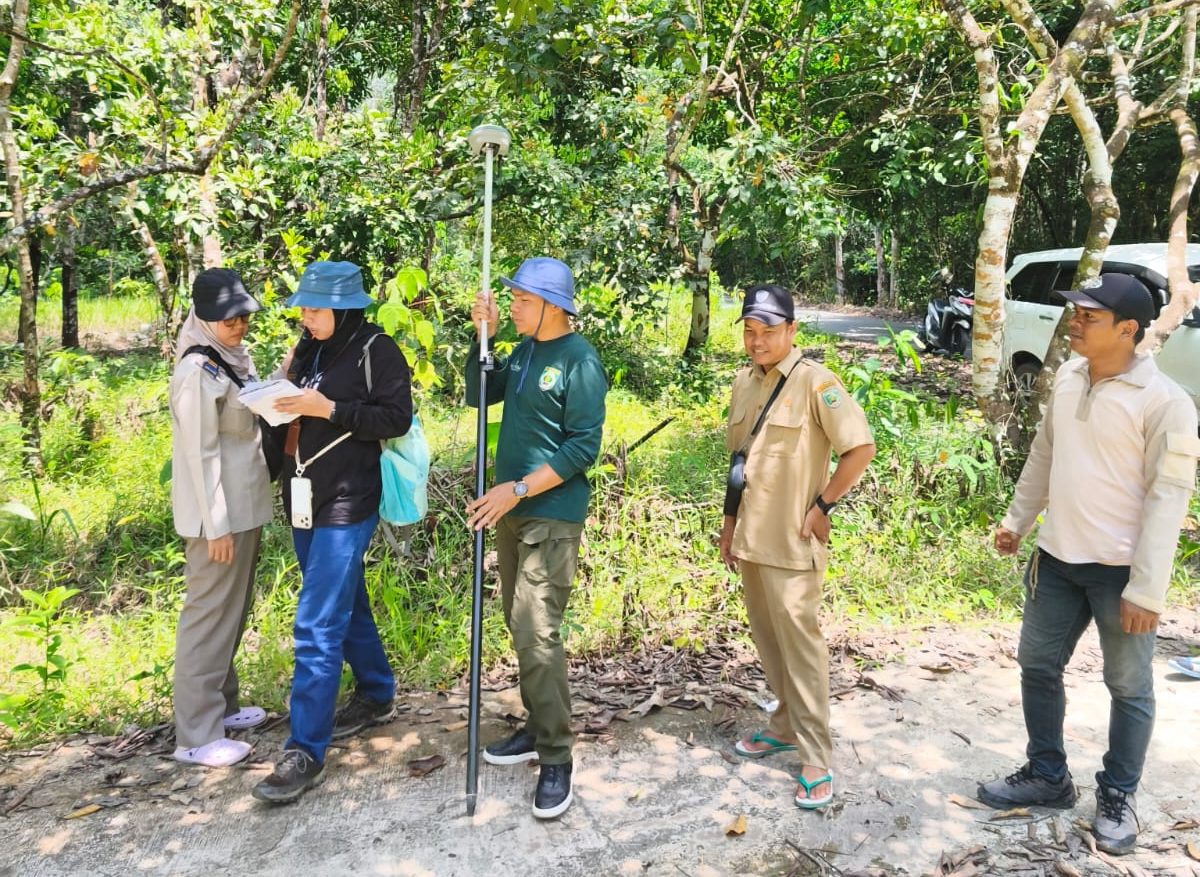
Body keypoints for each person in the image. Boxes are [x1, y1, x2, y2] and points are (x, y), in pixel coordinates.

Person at [978, 274, 1200, 856]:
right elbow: (1045, 456)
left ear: (1128, 331)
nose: (1073, 322)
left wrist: (1147, 591)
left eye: (1088, 317)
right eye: (1074, 312)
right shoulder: (1071, 378)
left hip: (1120, 573)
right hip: (1057, 559)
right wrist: (1018, 519)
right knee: (1037, 663)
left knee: (1128, 686)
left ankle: (1119, 794)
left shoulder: (1166, 404)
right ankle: (1048, 774)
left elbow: (1166, 501)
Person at [252, 261, 413, 804]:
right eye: (302, 307)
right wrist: (275, 393)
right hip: (303, 496)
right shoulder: (308, 347)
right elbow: (287, 409)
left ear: (344, 308)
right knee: (346, 603)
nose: (305, 316)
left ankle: (304, 751)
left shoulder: (375, 349)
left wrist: (330, 408)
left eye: (315, 309)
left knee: (316, 623)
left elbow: (396, 418)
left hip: (347, 499)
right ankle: (376, 694)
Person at [719, 283, 875, 810]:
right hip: (752, 540)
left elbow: (860, 447)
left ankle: (815, 757)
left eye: (768, 330)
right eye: (750, 330)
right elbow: (738, 465)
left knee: (802, 649)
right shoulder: (745, 382)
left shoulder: (815, 383)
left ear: (791, 330)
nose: (757, 340)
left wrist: (823, 505)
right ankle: (783, 725)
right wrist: (728, 525)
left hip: (793, 541)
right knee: (769, 641)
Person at [466, 256, 607, 820]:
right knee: (519, 624)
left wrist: (516, 490)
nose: (514, 307)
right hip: (514, 511)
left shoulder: (580, 361)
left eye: (521, 300)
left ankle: (556, 756)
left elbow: (581, 449)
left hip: (550, 511)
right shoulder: (524, 351)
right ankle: (536, 724)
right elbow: (482, 395)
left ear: (551, 305)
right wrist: (484, 337)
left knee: (536, 629)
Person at [169, 268, 272, 768]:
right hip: (220, 518)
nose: (238, 325)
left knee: (231, 611)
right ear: (205, 317)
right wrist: (217, 525)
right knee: (207, 617)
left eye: (243, 315)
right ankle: (196, 733)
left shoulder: (229, 359)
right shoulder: (196, 371)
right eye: (228, 318)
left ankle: (222, 709)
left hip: (242, 507)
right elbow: (199, 455)